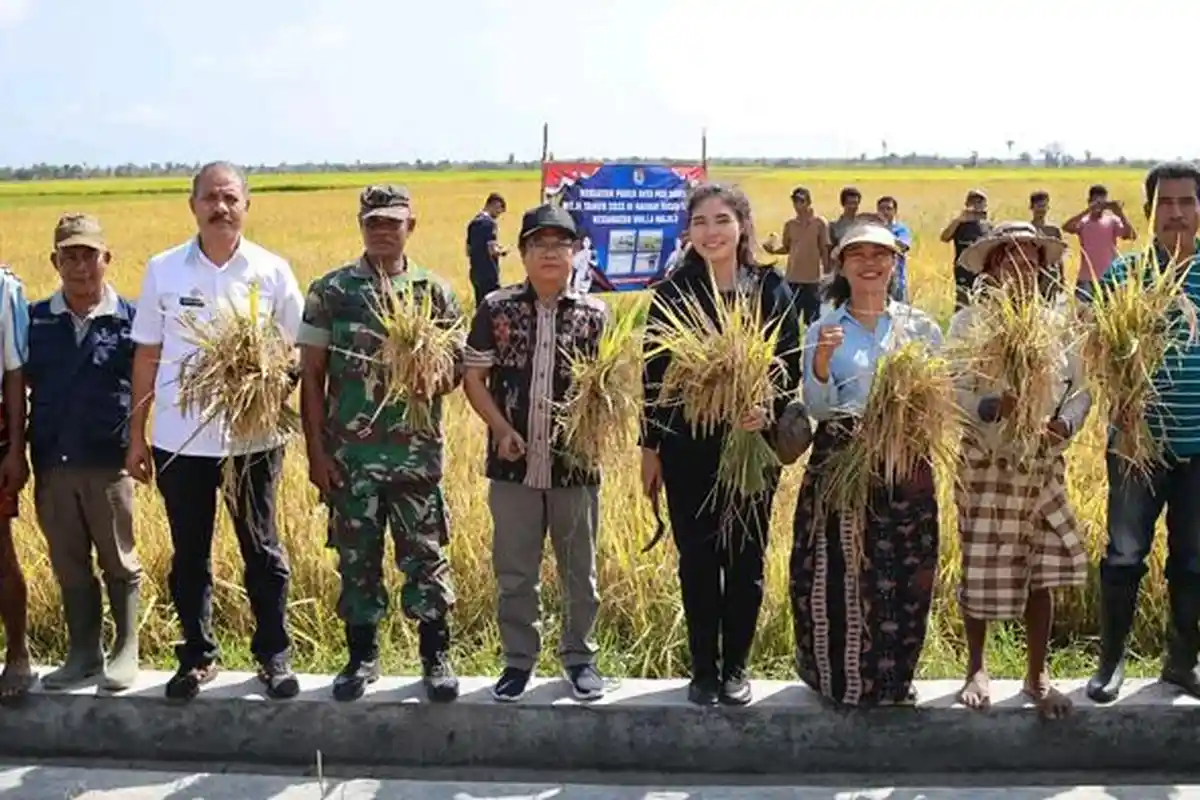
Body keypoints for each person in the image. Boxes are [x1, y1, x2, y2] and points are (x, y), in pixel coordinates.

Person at [125, 161, 305, 702]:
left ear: (246, 205)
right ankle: (198, 656)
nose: (220, 207)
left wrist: (270, 379)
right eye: (210, 198)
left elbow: (299, 347)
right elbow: (148, 355)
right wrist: (137, 435)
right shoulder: (164, 270)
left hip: (255, 440)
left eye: (230, 197)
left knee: (262, 548)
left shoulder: (271, 270)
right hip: (180, 440)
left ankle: (274, 654)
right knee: (190, 554)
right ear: (193, 205)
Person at [298, 185, 462, 703]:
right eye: (374, 222)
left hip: (416, 457)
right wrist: (317, 454)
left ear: (410, 225)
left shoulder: (434, 291)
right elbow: (312, 376)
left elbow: (458, 367)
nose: (383, 230)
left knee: (426, 558)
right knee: (356, 561)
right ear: (360, 225)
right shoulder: (332, 291)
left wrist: (430, 374)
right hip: (351, 460)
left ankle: (436, 656)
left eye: (393, 221)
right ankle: (362, 657)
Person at [641, 184, 802, 707]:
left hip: (750, 445)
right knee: (697, 559)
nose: (711, 231)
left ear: (742, 226)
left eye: (722, 220)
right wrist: (650, 449)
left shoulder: (769, 289)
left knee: (746, 560)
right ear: (688, 232)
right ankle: (703, 671)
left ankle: (736, 667)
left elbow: (791, 365)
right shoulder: (673, 292)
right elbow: (652, 379)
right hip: (689, 449)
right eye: (700, 221)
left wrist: (768, 409)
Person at [462, 204, 610, 703]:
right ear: (522, 253)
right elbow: (473, 378)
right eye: (539, 244)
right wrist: (501, 428)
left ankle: (579, 658)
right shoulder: (496, 308)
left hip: (576, 464)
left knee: (579, 573)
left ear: (574, 254)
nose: (550, 252)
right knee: (515, 570)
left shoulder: (596, 315)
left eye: (560, 244)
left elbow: (611, 390)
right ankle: (519, 661)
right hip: (513, 464)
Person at [792, 221, 942, 707]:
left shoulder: (920, 327)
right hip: (841, 456)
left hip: (904, 461)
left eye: (881, 255)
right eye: (858, 256)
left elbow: (937, 400)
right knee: (838, 569)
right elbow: (816, 408)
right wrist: (821, 363)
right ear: (842, 265)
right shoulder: (824, 327)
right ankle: (838, 682)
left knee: (905, 568)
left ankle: (896, 681)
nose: (871, 264)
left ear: (895, 263)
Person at [949, 222, 1090, 720]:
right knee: (980, 559)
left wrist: (1065, 423)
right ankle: (976, 668)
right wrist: (992, 406)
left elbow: (1081, 386)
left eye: (1030, 255)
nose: (1020, 264)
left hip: (1042, 460)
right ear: (990, 266)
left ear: (1042, 265)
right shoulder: (969, 323)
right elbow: (954, 389)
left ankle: (1036, 673)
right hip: (985, 459)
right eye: (1007, 255)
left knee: (1042, 567)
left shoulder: (1061, 321)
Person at [1088, 161, 1200, 703]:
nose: (1176, 213)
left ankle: (1181, 663)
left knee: (1193, 558)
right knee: (1124, 554)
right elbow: (1094, 355)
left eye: (1187, 201)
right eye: (1166, 204)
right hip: (1136, 447)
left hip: (1198, 449)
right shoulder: (1122, 277)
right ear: (1149, 211)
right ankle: (1111, 664)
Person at [26, 214, 143, 692]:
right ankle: (83, 652)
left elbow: (147, 385)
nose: (80, 266)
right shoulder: (34, 319)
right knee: (69, 560)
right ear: (55, 262)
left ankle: (126, 647)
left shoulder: (131, 319)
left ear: (106, 259)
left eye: (88, 255)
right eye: (69, 256)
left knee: (118, 557)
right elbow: (19, 383)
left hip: (107, 460)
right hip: (53, 459)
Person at [0, 260, 29, 705]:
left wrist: (15, 448)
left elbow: (14, 374)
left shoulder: (4, 288)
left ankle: (18, 653)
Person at [762, 186, 830, 325]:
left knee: (812, 321)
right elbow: (787, 248)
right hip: (792, 278)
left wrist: (827, 273)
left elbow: (824, 249)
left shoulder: (819, 223)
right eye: (795, 201)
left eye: (801, 201)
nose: (798, 205)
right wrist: (773, 251)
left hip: (812, 280)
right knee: (791, 318)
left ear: (809, 202)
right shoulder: (790, 225)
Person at [1063, 185, 1137, 303]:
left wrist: (1119, 213)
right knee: (1081, 314)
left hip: (1109, 278)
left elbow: (1132, 235)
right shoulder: (1083, 221)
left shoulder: (1113, 220)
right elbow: (1066, 227)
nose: (1099, 206)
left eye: (1102, 203)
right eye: (1095, 202)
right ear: (1089, 202)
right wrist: (1088, 210)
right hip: (1086, 278)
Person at [940, 189, 992, 311]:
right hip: (963, 269)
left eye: (980, 202)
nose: (977, 206)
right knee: (963, 302)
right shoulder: (959, 224)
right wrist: (958, 220)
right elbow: (944, 237)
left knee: (984, 302)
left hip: (983, 271)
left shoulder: (988, 225)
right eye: (973, 202)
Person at [467, 193, 508, 306]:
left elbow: (468, 250)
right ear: (494, 204)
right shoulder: (489, 223)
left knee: (480, 306)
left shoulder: (472, 223)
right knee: (494, 306)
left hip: (475, 272)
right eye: (499, 210)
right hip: (489, 273)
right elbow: (492, 250)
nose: (499, 215)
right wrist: (503, 251)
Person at [1029, 191, 1065, 298]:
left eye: (1044, 206)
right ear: (1031, 207)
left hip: (1050, 275)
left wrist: (1062, 278)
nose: (1041, 210)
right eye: (1039, 206)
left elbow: (1059, 256)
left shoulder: (1054, 230)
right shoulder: (1027, 229)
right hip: (1032, 274)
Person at [876, 196, 912, 302]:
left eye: (888, 209)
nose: (885, 212)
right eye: (881, 209)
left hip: (897, 280)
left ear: (895, 211)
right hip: (878, 280)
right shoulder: (874, 229)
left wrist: (886, 231)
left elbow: (903, 247)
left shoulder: (901, 229)